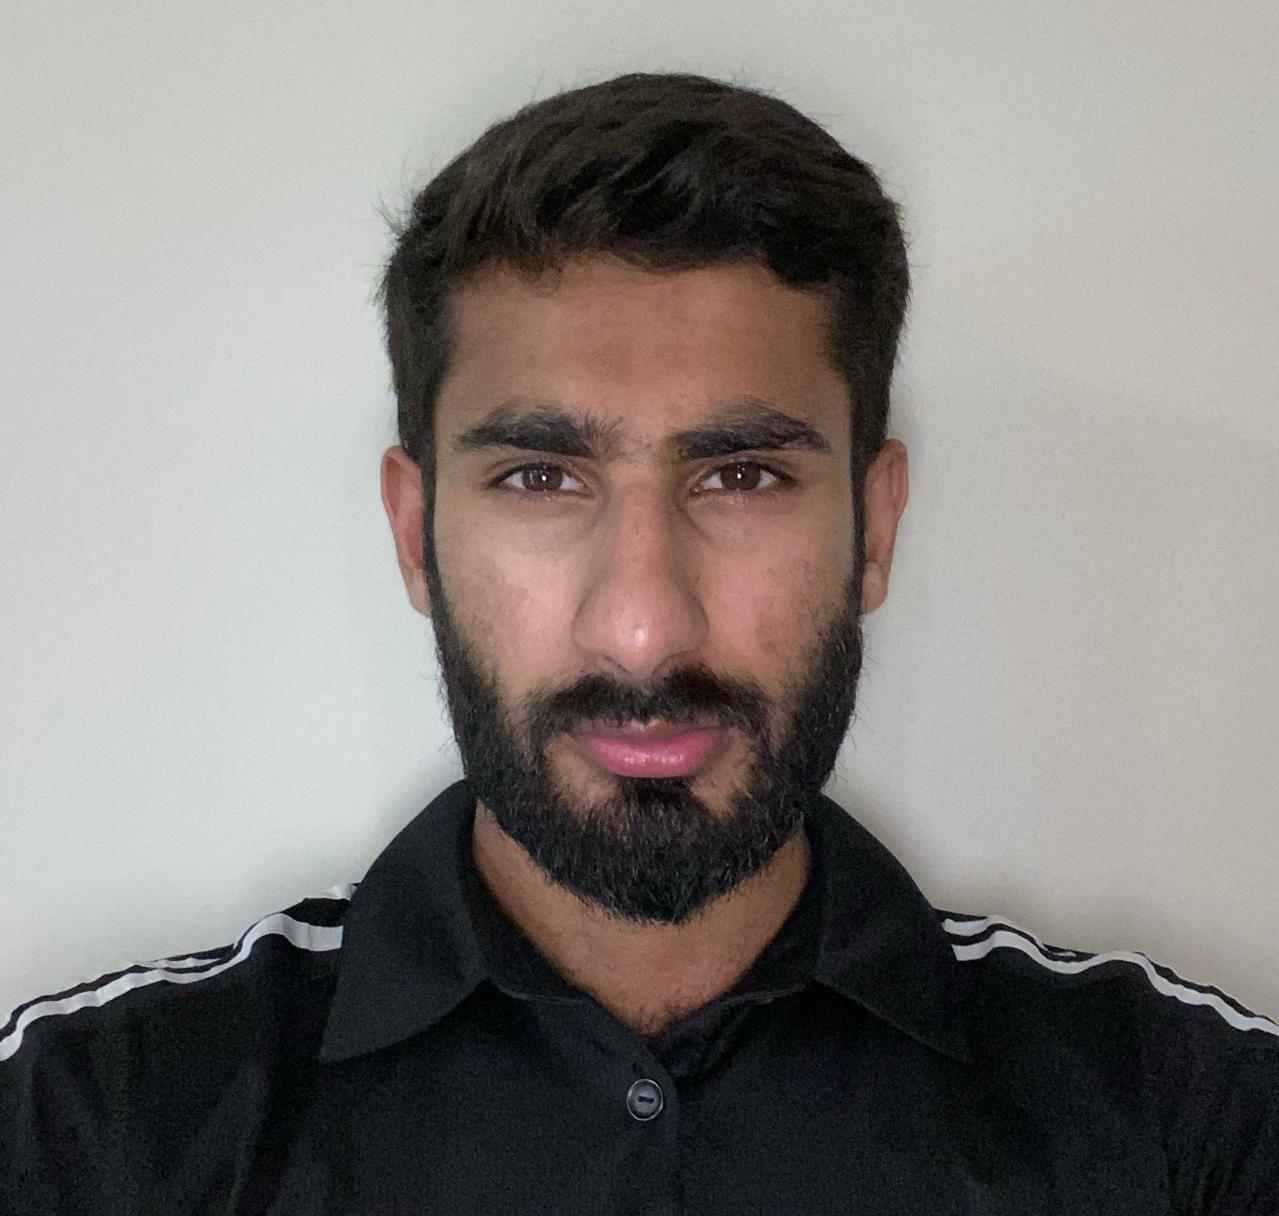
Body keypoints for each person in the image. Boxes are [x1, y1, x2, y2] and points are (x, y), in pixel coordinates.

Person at [2, 71, 1275, 1214]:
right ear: (415, 534)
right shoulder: (91, 1124)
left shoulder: (1186, 1120)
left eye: (742, 476)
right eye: (540, 478)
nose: (643, 624)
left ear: (873, 527)